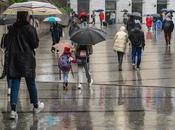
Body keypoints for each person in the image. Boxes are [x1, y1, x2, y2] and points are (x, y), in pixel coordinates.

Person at [6, 11, 44, 119]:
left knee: (15, 84)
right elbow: (35, 44)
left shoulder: (12, 29)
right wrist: (33, 30)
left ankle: (13, 110)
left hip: (15, 60)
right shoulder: (30, 28)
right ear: (25, 16)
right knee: (31, 83)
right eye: (28, 15)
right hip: (27, 60)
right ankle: (36, 106)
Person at [0, 26, 12, 95]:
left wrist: (4, 51)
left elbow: (2, 46)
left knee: (8, 72)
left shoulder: (5, 36)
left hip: (7, 55)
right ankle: (13, 88)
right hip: (15, 56)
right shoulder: (15, 36)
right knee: (14, 73)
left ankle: (9, 89)